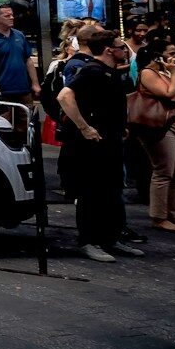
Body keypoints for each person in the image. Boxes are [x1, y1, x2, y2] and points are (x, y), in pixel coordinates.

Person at [58, 26, 144, 262]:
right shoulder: (91, 71)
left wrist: (121, 125)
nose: (124, 51)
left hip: (112, 140)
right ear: (108, 50)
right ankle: (89, 241)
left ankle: (111, 238)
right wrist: (84, 127)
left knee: (112, 191)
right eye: (120, 47)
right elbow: (64, 96)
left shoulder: (110, 72)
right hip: (92, 145)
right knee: (92, 193)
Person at [135, 38, 175, 232]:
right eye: (171, 53)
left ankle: (172, 213)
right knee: (164, 171)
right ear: (158, 56)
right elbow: (170, 95)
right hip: (159, 126)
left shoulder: (166, 72)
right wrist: (174, 74)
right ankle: (159, 217)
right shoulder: (148, 73)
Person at [0, 4, 39, 105]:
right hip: (2, 91)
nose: (12, 18)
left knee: (26, 118)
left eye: (12, 15)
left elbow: (28, 60)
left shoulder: (19, 35)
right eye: (7, 16)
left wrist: (35, 83)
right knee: (5, 119)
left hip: (24, 89)